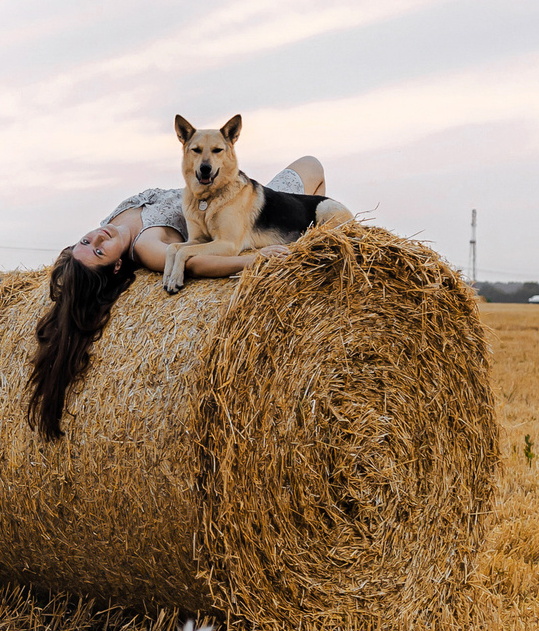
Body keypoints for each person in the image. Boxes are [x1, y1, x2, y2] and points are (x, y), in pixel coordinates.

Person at [26, 156, 328, 437]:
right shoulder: (147, 246)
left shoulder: (111, 223)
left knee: (311, 166)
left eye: (86, 241)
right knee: (312, 176)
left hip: (241, 199)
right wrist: (255, 260)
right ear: (117, 265)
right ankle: (324, 276)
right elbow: (193, 263)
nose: (97, 238)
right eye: (99, 252)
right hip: (243, 226)